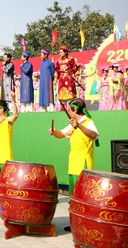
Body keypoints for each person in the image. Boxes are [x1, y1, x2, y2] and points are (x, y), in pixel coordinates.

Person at [48, 98, 99, 231]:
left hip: (83, 167)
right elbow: (61, 135)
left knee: (83, 198)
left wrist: (79, 126)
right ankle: (75, 223)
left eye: (70, 109)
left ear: (75, 110)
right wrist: (54, 132)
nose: (69, 112)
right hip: (73, 166)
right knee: (74, 198)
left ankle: (85, 224)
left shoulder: (88, 123)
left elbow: (94, 135)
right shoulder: (72, 124)